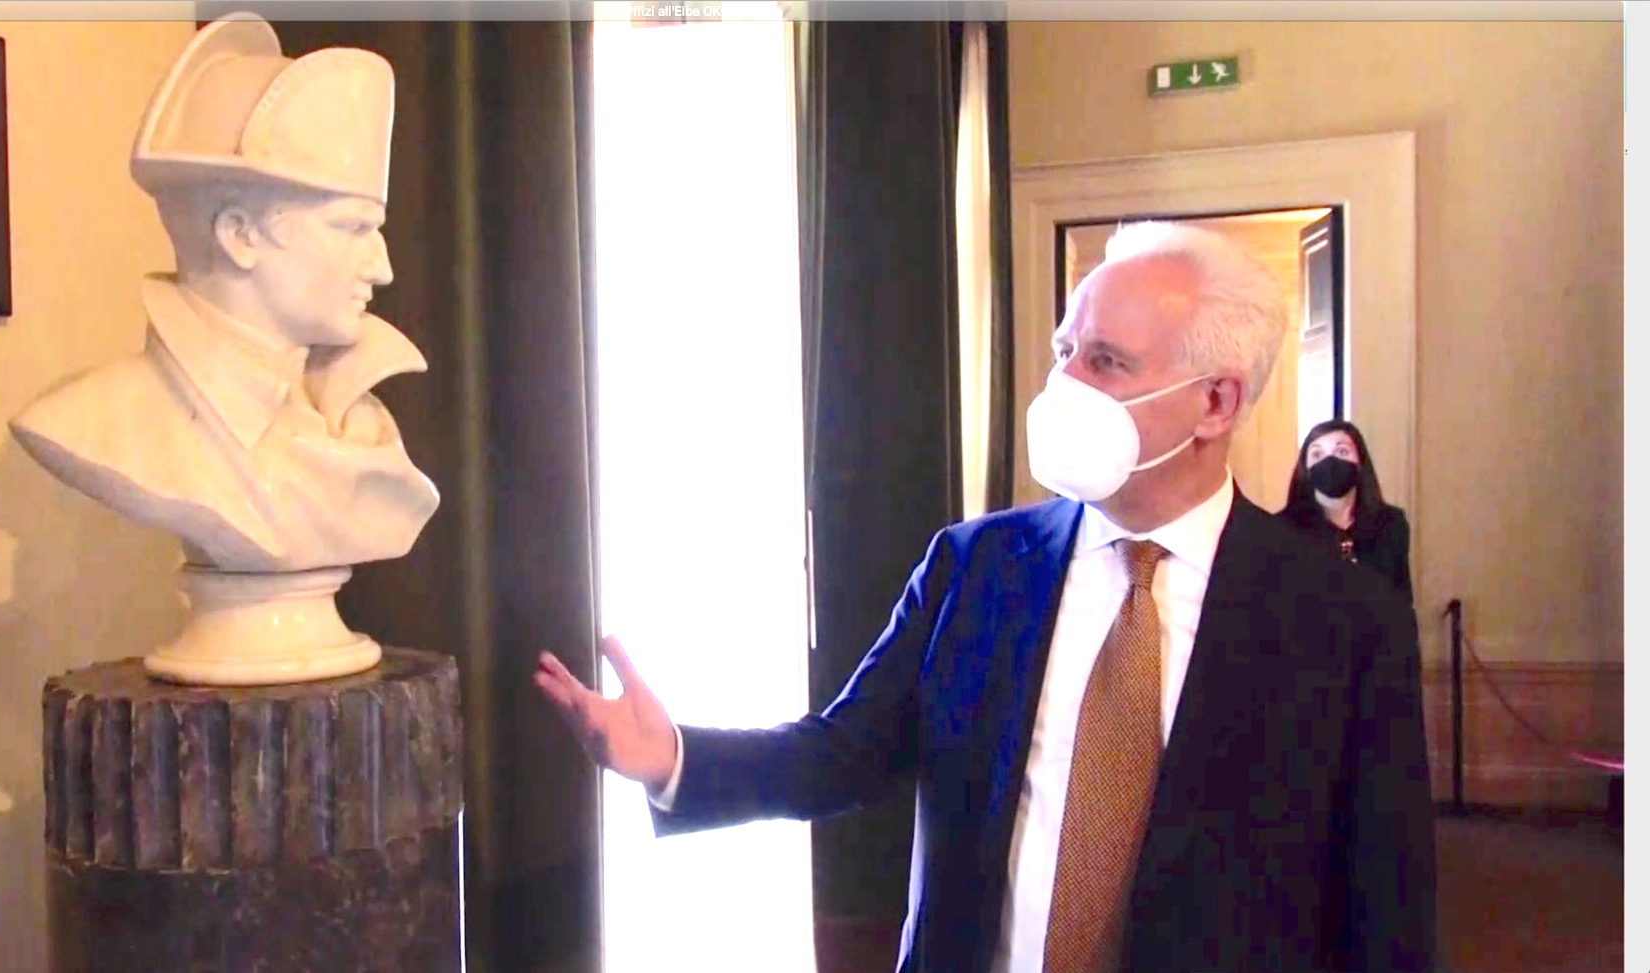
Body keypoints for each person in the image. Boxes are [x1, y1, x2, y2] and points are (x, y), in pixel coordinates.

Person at [535, 222, 1435, 973]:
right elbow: (848, 751)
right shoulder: (975, 567)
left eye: (1108, 361)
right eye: (1064, 351)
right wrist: (675, 757)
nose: (1066, 385)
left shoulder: (1343, 622)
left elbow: (1384, 908)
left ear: (1215, 403)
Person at [8, 14, 440, 575]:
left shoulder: (356, 419)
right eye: (352, 228)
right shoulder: (92, 424)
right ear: (240, 235)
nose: (382, 269)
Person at [1280, 419, 1415, 602]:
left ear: (1360, 462)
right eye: (1317, 454)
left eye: (1342, 451)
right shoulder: (1282, 530)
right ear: (1305, 469)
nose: (1330, 461)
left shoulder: (1390, 523)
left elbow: (1402, 600)